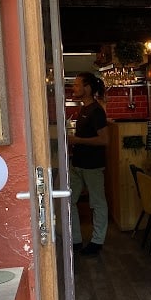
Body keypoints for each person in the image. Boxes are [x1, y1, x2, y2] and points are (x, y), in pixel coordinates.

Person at [68, 72, 109, 256]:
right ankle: (75, 240)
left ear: (88, 88)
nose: (74, 88)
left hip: (92, 166)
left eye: (77, 85)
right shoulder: (84, 109)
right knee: (69, 201)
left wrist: (76, 140)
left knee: (98, 203)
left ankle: (97, 241)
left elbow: (104, 140)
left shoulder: (96, 111)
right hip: (78, 165)